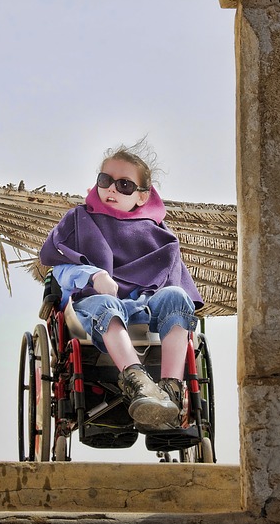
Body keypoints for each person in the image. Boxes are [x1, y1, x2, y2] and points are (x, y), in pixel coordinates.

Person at [39, 139, 203, 430]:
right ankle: (138, 381)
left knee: (177, 296)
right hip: (93, 303)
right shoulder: (79, 220)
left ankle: (171, 389)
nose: (112, 189)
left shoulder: (161, 235)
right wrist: (93, 275)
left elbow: (172, 278)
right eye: (105, 180)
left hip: (145, 305)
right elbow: (60, 269)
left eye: (124, 185)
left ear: (142, 196)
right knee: (108, 304)